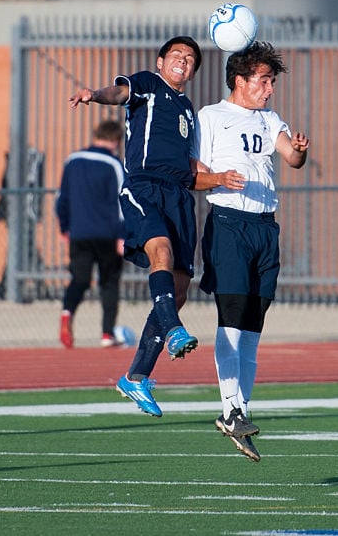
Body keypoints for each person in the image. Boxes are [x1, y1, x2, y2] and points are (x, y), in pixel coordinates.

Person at [69, 35, 237, 417]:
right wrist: (94, 95)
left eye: (191, 58)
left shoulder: (188, 109)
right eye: (177, 54)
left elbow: (191, 174)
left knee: (179, 288)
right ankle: (175, 330)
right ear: (161, 62)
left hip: (179, 195)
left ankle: (136, 376)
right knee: (159, 249)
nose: (184, 60)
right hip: (145, 186)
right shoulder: (148, 84)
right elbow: (120, 93)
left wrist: (222, 178)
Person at [194, 41, 309, 462]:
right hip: (228, 224)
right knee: (233, 316)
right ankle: (230, 408)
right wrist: (218, 177)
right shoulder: (210, 117)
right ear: (240, 81)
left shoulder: (269, 118)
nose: (270, 89)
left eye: (272, 81)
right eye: (264, 81)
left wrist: (299, 149)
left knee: (255, 326)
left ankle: (241, 413)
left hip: (265, 227)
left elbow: (291, 159)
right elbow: (192, 173)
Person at [55, 119, 126, 348]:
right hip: (107, 234)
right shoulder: (114, 164)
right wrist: (123, 235)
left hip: (80, 233)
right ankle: (107, 334)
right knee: (109, 283)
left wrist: (64, 227)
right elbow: (122, 202)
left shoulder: (72, 161)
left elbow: (61, 199)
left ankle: (67, 313)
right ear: (115, 140)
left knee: (80, 279)